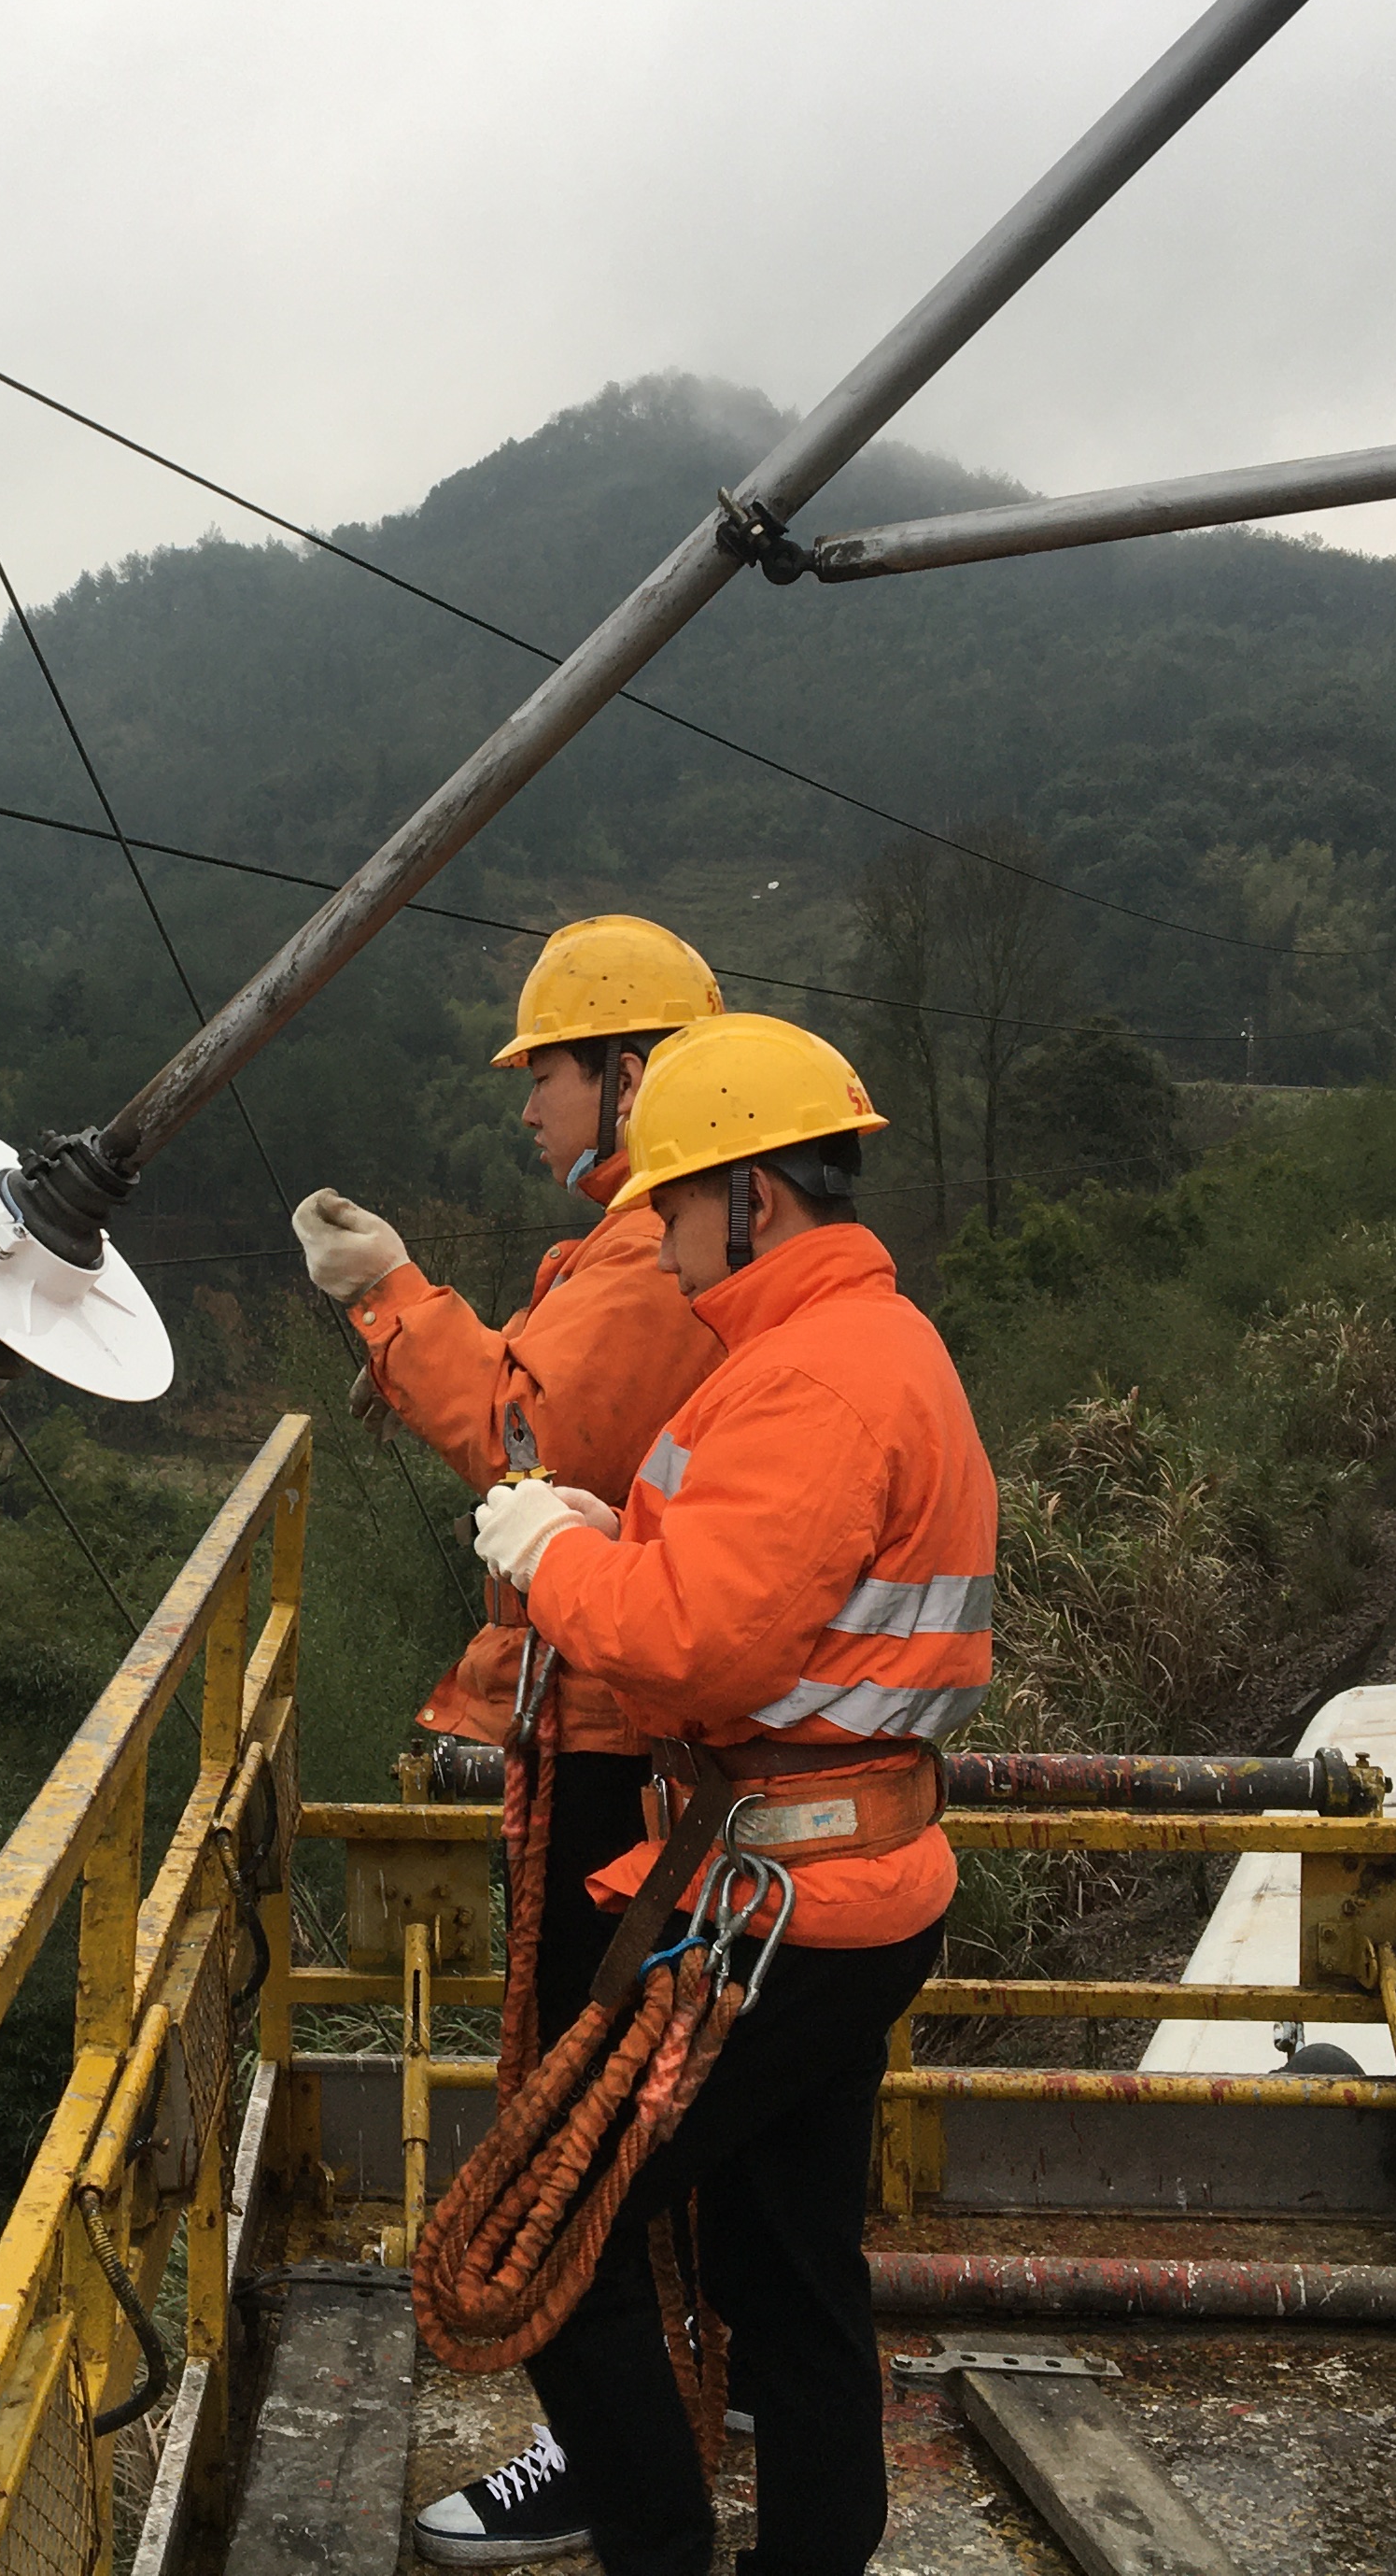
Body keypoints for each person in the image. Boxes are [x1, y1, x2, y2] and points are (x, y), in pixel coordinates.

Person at [461, 1012, 997, 2576]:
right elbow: (765, 1594)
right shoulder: (856, 1348)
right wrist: (605, 1525)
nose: (666, 1250)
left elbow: (691, 1648)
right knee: (789, 2267)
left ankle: (657, 2550)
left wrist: (552, 1553)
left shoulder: (810, 1381)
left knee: (538, 2243)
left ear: (751, 1198)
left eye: (679, 1212)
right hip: (838, 1888)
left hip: (781, 1913)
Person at [287, 914, 725, 2568]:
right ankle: (664, 2414)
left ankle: (611, 2459)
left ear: (625, 1073)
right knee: (632, 2117)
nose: (524, 1105)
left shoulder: (644, 1259)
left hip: (630, 1735)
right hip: (655, 1731)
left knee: (567, 2125)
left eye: (543, 1072)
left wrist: (388, 1296)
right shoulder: (652, 1248)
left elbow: (528, 1430)